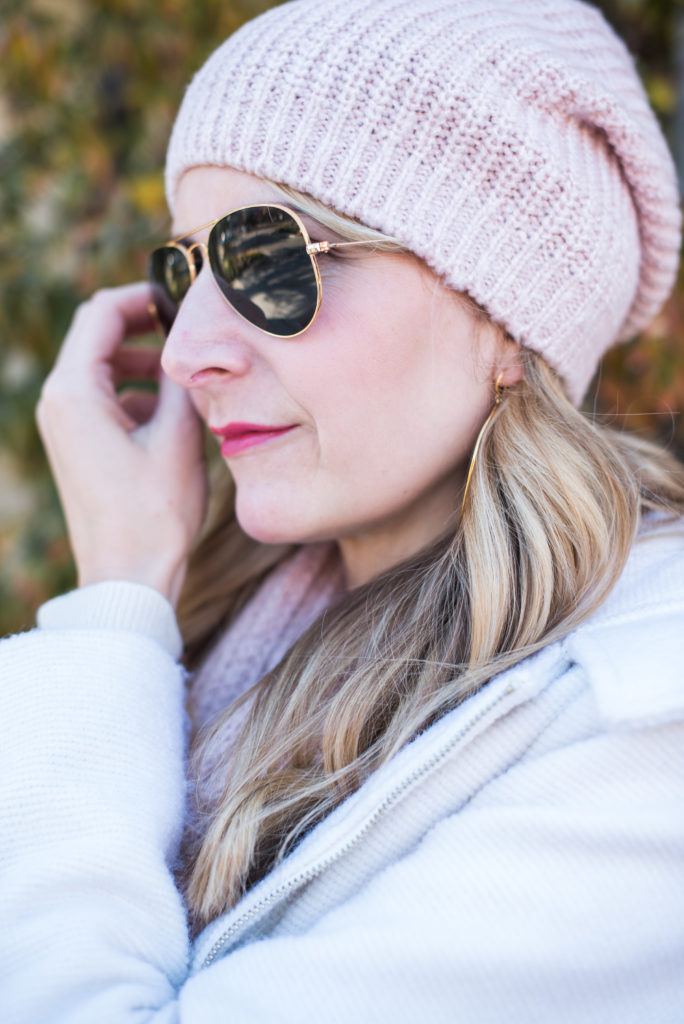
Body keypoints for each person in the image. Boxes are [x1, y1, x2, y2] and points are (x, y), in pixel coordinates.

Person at [1, 0, 683, 1020]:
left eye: (268, 259)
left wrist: (114, 606)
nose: (188, 353)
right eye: (185, 270)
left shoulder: (639, 731)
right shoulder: (236, 629)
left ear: (505, 318)